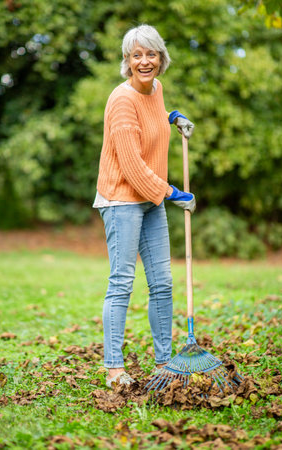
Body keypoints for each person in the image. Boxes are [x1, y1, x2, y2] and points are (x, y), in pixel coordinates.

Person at [93, 24, 196, 388]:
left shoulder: (157, 89)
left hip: (149, 198)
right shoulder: (120, 100)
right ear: (127, 61)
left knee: (163, 283)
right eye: (136, 55)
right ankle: (114, 368)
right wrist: (171, 193)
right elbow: (133, 165)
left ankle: (165, 362)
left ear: (160, 57)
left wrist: (171, 118)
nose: (144, 61)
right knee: (122, 283)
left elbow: (150, 121)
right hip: (122, 198)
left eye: (150, 53)